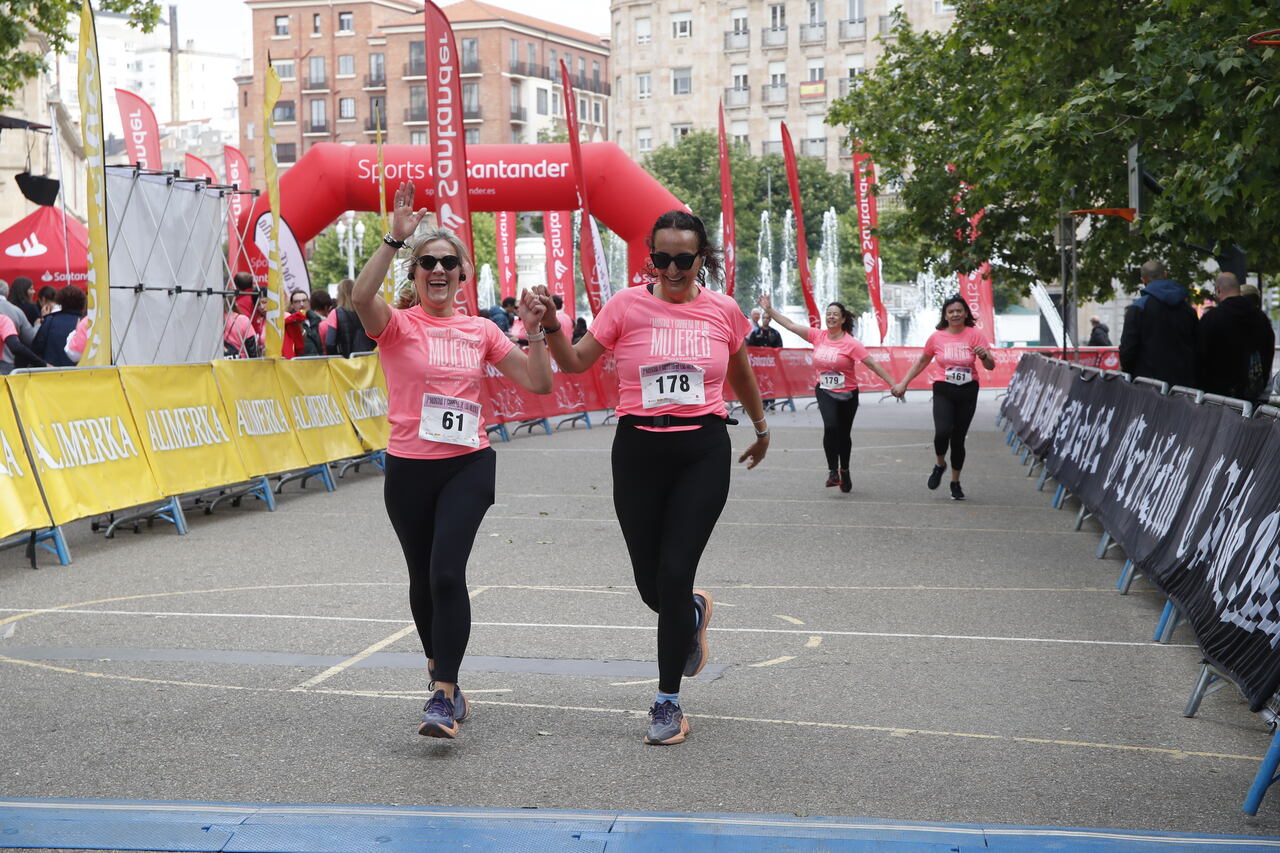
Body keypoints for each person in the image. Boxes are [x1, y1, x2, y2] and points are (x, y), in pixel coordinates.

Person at [537, 209, 769, 745]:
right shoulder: (625, 306)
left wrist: (760, 427)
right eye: (661, 258)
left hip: (701, 450)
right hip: (638, 449)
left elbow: (740, 370)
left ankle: (667, 703)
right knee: (650, 585)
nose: (671, 269)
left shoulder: (722, 310)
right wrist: (551, 326)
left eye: (683, 259)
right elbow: (574, 364)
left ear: (701, 259)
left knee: (673, 570)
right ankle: (690, 612)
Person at [355, 180, 552, 741]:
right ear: (415, 275)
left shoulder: (481, 330)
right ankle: (440, 670)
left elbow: (538, 383)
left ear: (464, 276)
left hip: (468, 464)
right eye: (428, 263)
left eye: (449, 263)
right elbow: (360, 298)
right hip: (409, 466)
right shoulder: (396, 325)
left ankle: (443, 694)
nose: (438, 271)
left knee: (446, 571)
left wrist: (536, 333)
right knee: (422, 579)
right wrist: (395, 239)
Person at [758, 294, 897, 493]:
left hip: (848, 393)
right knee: (831, 426)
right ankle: (833, 471)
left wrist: (894, 384)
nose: (830, 317)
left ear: (842, 319)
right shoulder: (818, 336)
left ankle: (845, 470)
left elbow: (872, 364)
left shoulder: (851, 343)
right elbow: (790, 325)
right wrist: (769, 310)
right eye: (828, 314)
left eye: (835, 314)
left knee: (844, 435)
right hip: (824, 390)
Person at [891, 296, 995, 501]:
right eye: (951, 311)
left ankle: (955, 482)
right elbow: (922, 361)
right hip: (943, 388)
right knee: (943, 431)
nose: (955, 314)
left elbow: (991, 366)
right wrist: (903, 383)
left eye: (959, 311)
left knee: (958, 439)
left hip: (968, 390)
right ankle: (940, 464)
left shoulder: (975, 335)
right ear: (945, 316)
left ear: (966, 313)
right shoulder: (936, 337)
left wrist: (984, 356)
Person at [1118, 259, 1198, 386]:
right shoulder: (1187, 309)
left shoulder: (1138, 308)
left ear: (1143, 280)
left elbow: (1128, 350)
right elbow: (1196, 345)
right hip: (1183, 385)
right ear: (1165, 274)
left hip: (1148, 384)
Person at [1198, 272, 1275, 400]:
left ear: (1218, 290)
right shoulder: (1261, 319)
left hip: (1217, 395)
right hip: (1251, 395)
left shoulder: (1212, 319)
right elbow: (1268, 353)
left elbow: (1200, 356)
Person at [31, 285, 86, 368]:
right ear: (82, 302)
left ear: (60, 301)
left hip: (51, 373)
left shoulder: (50, 320)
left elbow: (37, 347)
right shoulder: (85, 323)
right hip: (80, 373)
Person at [323, 279, 377, 356]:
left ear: (339, 294)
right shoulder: (367, 311)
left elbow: (330, 343)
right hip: (368, 357)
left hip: (347, 361)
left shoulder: (335, 313)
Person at [0, 281, 36, 374]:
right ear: (7, 293)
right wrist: (38, 325)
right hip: (5, 364)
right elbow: (31, 338)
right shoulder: (15, 311)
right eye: (31, 288)